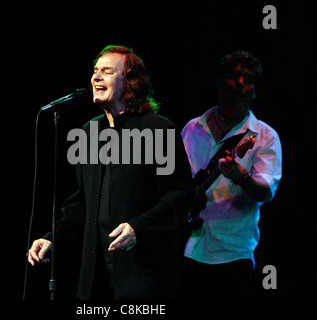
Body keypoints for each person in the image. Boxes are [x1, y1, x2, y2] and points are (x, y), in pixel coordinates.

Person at [28, 45, 194, 300]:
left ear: (130, 82)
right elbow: (82, 202)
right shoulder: (88, 133)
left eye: (106, 71)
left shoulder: (158, 130)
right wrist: (53, 238)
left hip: (143, 276)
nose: (96, 77)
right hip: (95, 278)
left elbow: (179, 197)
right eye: (95, 71)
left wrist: (139, 228)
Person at [180, 50, 282, 299]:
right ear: (218, 81)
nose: (240, 84)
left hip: (232, 255)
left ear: (254, 91)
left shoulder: (263, 136)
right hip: (186, 248)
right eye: (234, 76)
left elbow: (266, 192)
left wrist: (241, 176)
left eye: (248, 80)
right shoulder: (192, 128)